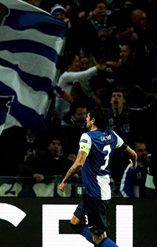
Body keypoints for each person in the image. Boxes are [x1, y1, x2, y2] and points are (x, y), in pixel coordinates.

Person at [58, 106, 138, 247]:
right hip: (98, 192)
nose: (86, 120)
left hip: (95, 194)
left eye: (88, 117)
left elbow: (79, 163)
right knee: (75, 223)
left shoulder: (87, 137)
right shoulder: (112, 135)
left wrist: (64, 180)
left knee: (99, 238)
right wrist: (134, 162)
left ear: (93, 120)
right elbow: (133, 154)